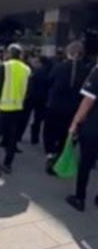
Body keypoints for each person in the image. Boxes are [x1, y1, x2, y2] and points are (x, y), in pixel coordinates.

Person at [43, 42, 91, 174]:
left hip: (55, 106)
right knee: (66, 134)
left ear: (67, 52)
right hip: (74, 108)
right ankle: (60, 156)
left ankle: (50, 155)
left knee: (50, 132)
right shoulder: (86, 70)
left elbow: (49, 82)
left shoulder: (58, 67)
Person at [0, 44, 31, 176]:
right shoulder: (27, 69)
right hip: (18, 108)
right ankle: (7, 165)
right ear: (20, 54)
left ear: (9, 53)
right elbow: (28, 91)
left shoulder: (4, 66)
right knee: (12, 138)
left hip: (2, 108)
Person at [65, 61, 98, 212]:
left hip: (94, 127)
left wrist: (75, 122)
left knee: (85, 162)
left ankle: (80, 198)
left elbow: (88, 100)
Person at [17, 56, 51, 146]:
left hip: (31, 98)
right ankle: (34, 138)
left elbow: (30, 86)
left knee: (24, 118)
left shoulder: (35, 72)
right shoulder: (48, 72)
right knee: (38, 120)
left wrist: (26, 96)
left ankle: (18, 135)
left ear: (40, 62)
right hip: (42, 99)